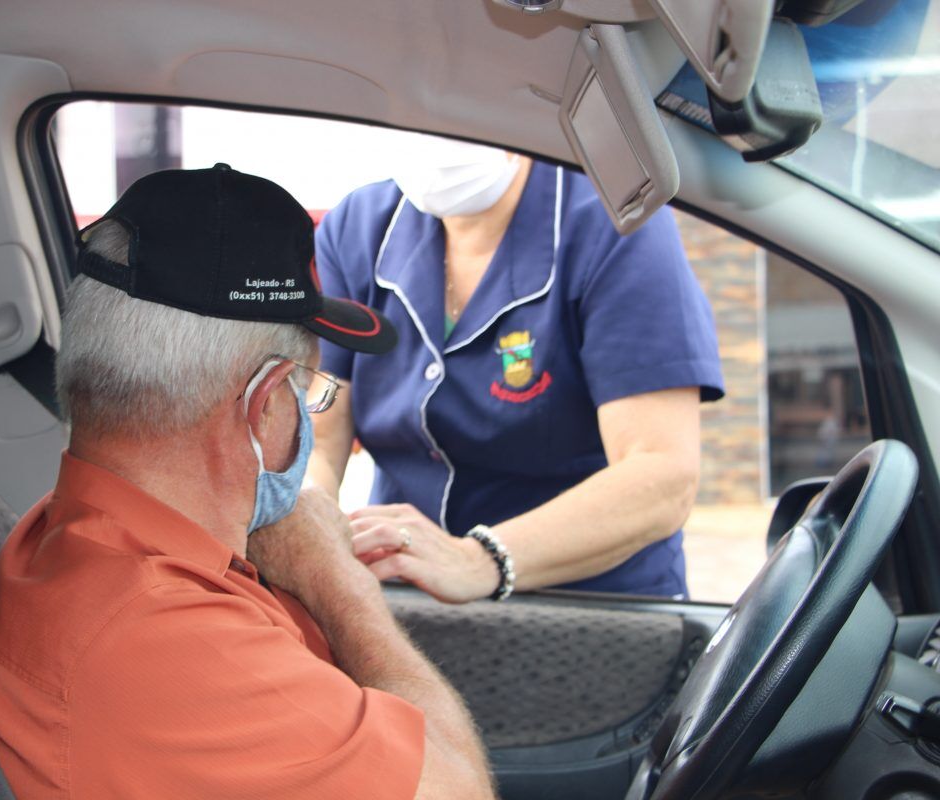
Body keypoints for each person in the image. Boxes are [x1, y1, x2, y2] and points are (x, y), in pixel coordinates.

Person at [0, 164, 496, 800]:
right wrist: (339, 581)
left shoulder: (64, 533)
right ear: (264, 404)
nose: (304, 411)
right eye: (308, 392)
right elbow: (461, 789)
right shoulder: (172, 645)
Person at [307, 135, 724, 602]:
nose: (436, 135)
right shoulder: (357, 229)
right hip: (406, 592)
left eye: (459, 108)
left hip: (587, 606)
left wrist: (479, 558)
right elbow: (319, 441)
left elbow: (662, 473)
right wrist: (307, 527)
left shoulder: (615, 222)